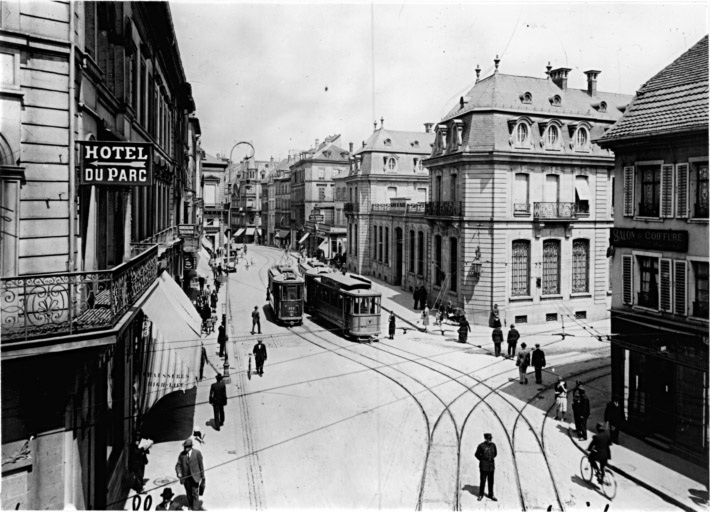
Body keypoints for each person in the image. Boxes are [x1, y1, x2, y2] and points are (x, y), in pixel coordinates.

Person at [175, 438, 205, 511]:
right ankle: (191, 505)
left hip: (195, 477)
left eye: (187, 447)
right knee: (188, 493)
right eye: (185, 447)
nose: (185, 448)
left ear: (191, 446)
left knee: (195, 493)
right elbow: (178, 465)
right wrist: (179, 472)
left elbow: (201, 465)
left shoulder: (197, 453)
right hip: (186, 478)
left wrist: (202, 476)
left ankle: (195, 508)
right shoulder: (182, 455)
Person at [475, 433, 498, 502]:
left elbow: (495, 454)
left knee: (491, 481)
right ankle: (481, 494)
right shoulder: (481, 446)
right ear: (485, 439)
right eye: (488, 439)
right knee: (483, 481)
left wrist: (490, 459)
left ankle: (491, 494)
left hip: (491, 467)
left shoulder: (493, 445)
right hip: (483, 467)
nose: (489, 440)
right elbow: (476, 454)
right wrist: (482, 460)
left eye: (490, 439)